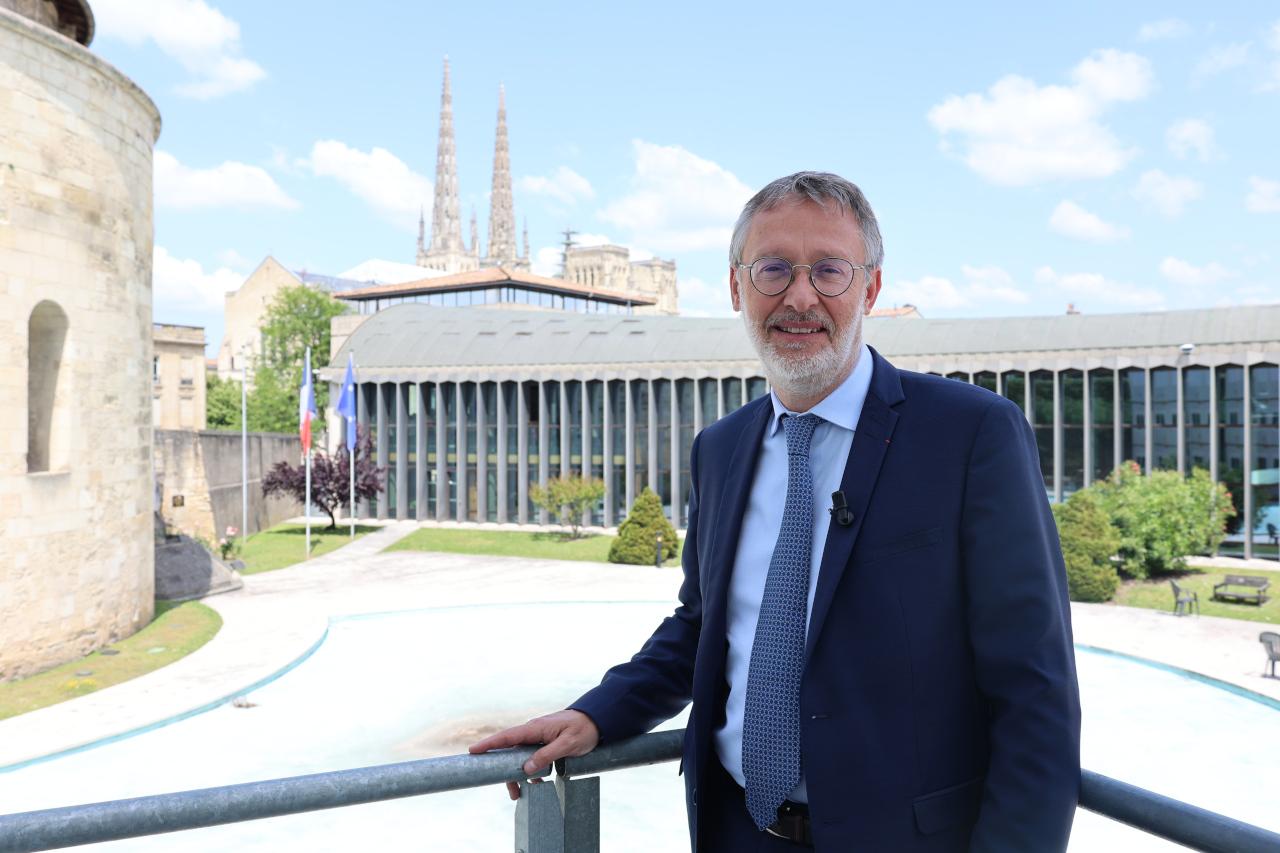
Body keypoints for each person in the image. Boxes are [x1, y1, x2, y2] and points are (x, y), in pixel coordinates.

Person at [470, 171, 1081, 851]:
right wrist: (595, 713)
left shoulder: (970, 435)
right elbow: (702, 627)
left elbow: (1035, 695)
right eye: (773, 269)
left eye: (829, 270)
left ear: (870, 289)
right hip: (737, 830)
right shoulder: (720, 449)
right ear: (737, 287)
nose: (799, 296)